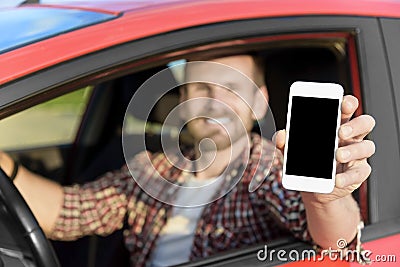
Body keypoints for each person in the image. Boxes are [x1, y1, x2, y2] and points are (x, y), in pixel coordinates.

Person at [0, 54, 375, 266]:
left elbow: (336, 241)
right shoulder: (153, 170)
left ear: (259, 100)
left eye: (230, 88)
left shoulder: (269, 166)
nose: (213, 102)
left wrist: (323, 197)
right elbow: (67, 212)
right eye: (200, 89)